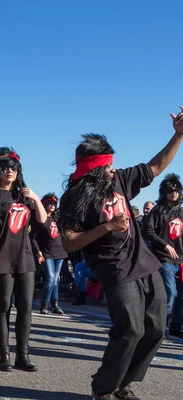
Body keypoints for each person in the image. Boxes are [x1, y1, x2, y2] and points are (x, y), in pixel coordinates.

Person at [59, 108, 183, 400]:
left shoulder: (120, 181)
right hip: (114, 270)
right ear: (93, 168)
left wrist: (178, 135)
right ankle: (103, 388)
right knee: (129, 330)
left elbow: (155, 167)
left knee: (155, 330)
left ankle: (122, 384)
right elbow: (68, 243)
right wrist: (107, 227)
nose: (113, 169)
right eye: (107, 165)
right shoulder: (73, 198)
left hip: (147, 264)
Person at [0, 147, 47, 372]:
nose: (9, 171)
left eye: (13, 168)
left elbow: (42, 220)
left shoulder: (24, 195)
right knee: (3, 306)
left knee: (26, 306)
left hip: (25, 258)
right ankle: (3, 355)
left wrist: (36, 198)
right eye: (5, 168)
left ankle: (22, 355)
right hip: (2, 258)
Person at [142, 173, 183, 339]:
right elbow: (147, 230)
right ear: (164, 192)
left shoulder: (181, 212)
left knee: (181, 295)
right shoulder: (158, 211)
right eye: (170, 190)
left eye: (177, 190)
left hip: (181, 259)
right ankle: (159, 327)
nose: (174, 193)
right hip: (164, 258)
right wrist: (165, 245)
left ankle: (175, 327)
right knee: (170, 292)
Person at [30, 193, 68, 315]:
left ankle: (55, 305)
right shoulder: (40, 219)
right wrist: (38, 251)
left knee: (55, 279)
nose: (52, 206)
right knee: (51, 277)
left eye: (54, 204)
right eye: (49, 204)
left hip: (60, 252)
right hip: (46, 253)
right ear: (44, 204)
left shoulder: (58, 219)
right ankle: (44, 304)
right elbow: (33, 238)